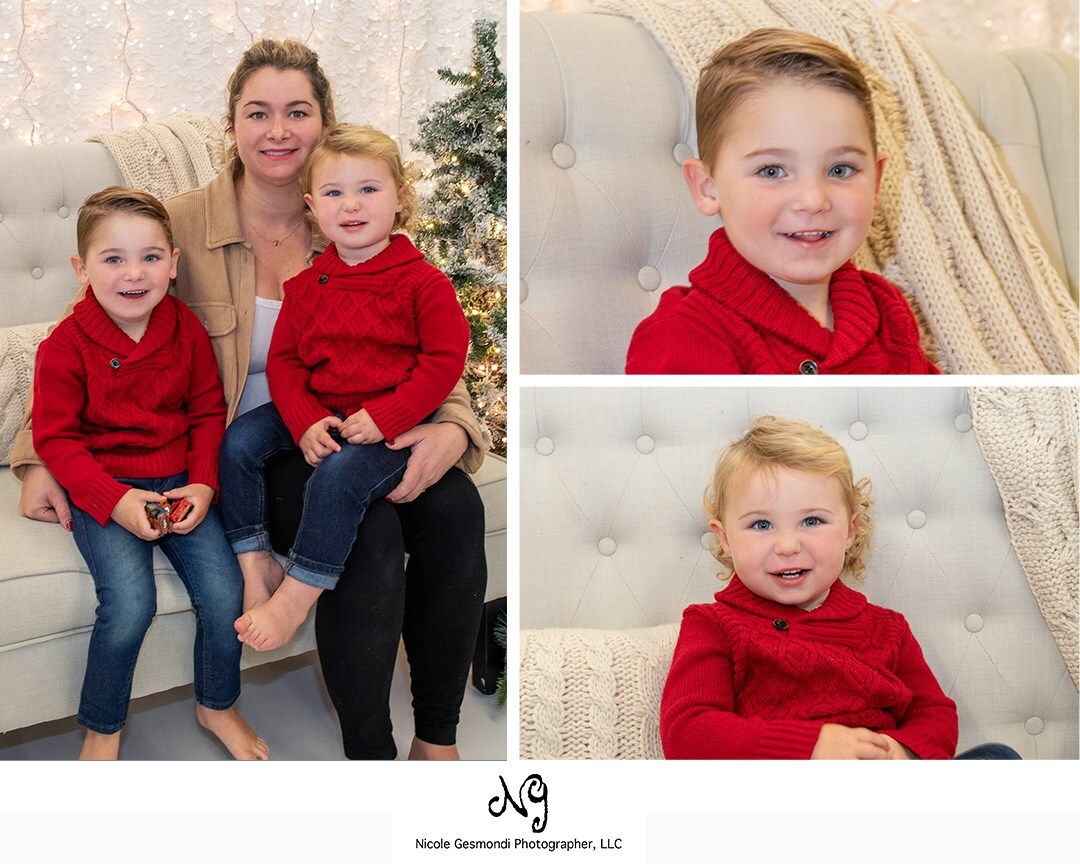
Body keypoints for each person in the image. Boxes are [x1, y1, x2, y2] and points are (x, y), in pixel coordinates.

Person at [13, 39, 488, 760]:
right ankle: (372, 754)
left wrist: (454, 426)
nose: (277, 130)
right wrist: (36, 457)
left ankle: (438, 740)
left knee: (458, 507)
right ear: (231, 124)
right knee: (369, 536)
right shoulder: (174, 229)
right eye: (257, 112)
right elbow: (85, 332)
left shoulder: (352, 210)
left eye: (297, 112)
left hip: (360, 421)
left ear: (324, 122)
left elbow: (423, 341)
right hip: (254, 446)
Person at [30, 187, 267, 761]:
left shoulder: (184, 328)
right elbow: (55, 438)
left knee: (223, 592)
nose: (134, 274)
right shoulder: (63, 347)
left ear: (174, 263)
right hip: (104, 491)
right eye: (113, 259)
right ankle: (103, 729)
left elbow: (208, 410)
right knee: (130, 604)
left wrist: (205, 485)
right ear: (81, 269)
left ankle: (216, 704)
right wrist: (112, 502)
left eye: (151, 257)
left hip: (180, 483)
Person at [219, 123, 470, 653]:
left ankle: (296, 595)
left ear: (400, 199)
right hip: (322, 409)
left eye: (368, 189)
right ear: (312, 205)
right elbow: (286, 360)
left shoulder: (423, 282)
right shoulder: (307, 285)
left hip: (383, 423)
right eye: (334, 193)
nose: (351, 205)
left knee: (336, 479)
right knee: (239, 442)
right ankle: (255, 559)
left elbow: (444, 360)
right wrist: (303, 416)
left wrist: (393, 415)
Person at [661, 416, 1019, 759]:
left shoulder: (887, 627)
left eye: (812, 521)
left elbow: (933, 711)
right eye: (761, 525)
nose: (787, 545)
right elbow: (688, 731)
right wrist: (809, 747)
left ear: (850, 531)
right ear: (724, 538)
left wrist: (903, 751)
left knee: (998, 757)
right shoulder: (713, 625)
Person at [625, 29, 939, 375]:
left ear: (876, 181)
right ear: (707, 187)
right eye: (772, 171)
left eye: (840, 169)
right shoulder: (685, 334)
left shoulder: (887, 309)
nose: (812, 200)